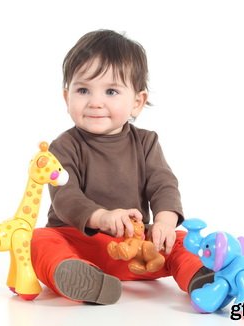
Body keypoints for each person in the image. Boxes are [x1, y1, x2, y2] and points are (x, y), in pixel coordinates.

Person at [31, 29, 212, 305]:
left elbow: (163, 183)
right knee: (39, 240)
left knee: (181, 242)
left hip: (137, 249)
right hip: (80, 243)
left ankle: (202, 279)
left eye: (111, 91)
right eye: (83, 90)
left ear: (137, 102)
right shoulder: (63, 147)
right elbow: (66, 197)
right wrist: (102, 217)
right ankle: (78, 277)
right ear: (67, 97)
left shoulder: (146, 142)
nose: (95, 102)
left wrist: (164, 221)